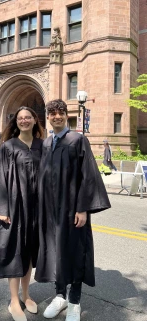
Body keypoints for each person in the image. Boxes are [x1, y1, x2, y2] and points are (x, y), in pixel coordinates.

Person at [34, 100, 111, 321]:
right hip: (51, 211)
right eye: (52, 113)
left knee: (75, 251)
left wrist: (83, 208)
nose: (56, 116)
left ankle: (75, 300)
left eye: (61, 112)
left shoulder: (78, 140)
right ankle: (60, 296)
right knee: (56, 251)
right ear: (47, 117)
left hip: (73, 209)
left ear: (67, 115)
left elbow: (88, 176)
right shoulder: (47, 143)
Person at [0, 106, 44, 321]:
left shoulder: (42, 146)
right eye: (20, 118)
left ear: (35, 120)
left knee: (29, 252)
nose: (24, 120)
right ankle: (14, 301)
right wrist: (2, 208)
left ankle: (27, 295)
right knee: (14, 252)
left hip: (36, 208)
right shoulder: (8, 147)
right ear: (15, 122)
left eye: (28, 117)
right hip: (14, 208)